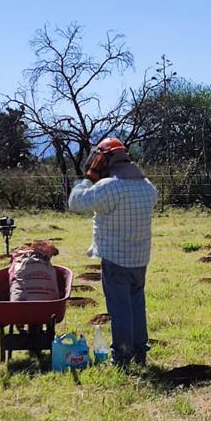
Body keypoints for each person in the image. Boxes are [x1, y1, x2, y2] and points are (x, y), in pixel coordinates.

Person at [68, 138, 157, 367]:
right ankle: (140, 352)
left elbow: (75, 203)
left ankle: (122, 357)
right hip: (140, 259)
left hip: (116, 259)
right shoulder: (147, 187)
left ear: (103, 159)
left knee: (120, 310)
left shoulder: (109, 187)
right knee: (137, 304)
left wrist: (88, 177)